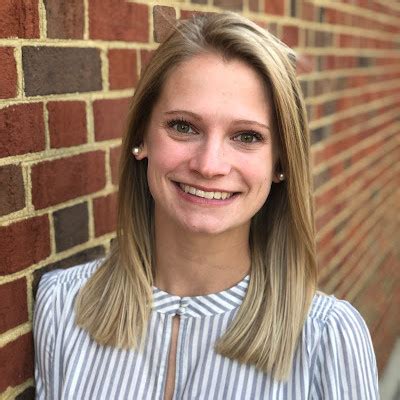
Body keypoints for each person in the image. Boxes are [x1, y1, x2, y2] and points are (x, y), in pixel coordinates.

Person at [33, 12, 379, 399]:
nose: (209, 165)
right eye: (183, 127)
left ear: (280, 161)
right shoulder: (63, 305)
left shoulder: (326, 339)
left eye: (246, 136)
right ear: (142, 137)